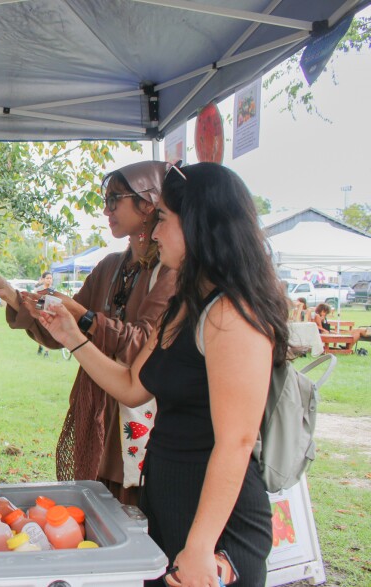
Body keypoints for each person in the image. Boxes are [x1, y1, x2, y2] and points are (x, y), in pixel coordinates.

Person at [39, 162, 285, 586]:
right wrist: (71, 337)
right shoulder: (185, 304)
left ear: (198, 225)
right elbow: (132, 387)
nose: (154, 233)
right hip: (167, 505)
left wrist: (202, 546)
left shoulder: (232, 315)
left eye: (164, 220)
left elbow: (237, 441)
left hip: (216, 527)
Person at [0, 161, 176, 505]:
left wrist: (81, 317)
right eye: (106, 199)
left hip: (141, 418)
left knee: (134, 516)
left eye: (115, 199)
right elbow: (56, 333)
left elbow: (140, 346)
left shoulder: (170, 272)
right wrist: (7, 292)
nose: (106, 209)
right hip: (97, 413)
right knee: (96, 509)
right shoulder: (110, 266)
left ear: (148, 203)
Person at [34, 271, 54, 356]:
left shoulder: (52, 290)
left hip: (50, 313)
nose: (49, 280)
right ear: (43, 279)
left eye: (50, 278)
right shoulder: (39, 290)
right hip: (40, 312)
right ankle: (40, 346)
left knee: (48, 333)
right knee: (39, 332)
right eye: (47, 278)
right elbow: (36, 301)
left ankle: (47, 352)